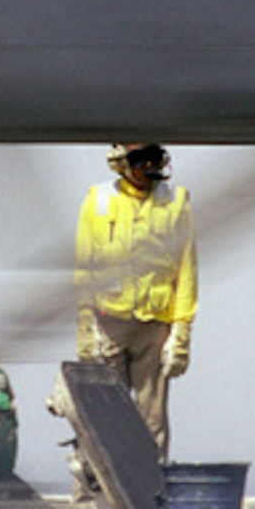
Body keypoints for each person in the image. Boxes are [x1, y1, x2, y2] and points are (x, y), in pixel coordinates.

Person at [74, 142, 198, 461]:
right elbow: (84, 267)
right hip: (109, 322)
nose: (146, 168)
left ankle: (151, 493)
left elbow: (186, 271)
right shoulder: (98, 201)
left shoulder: (175, 202)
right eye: (139, 160)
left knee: (152, 420)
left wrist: (181, 333)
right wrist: (86, 327)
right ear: (121, 163)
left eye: (152, 159)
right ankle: (92, 493)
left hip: (154, 326)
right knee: (102, 416)